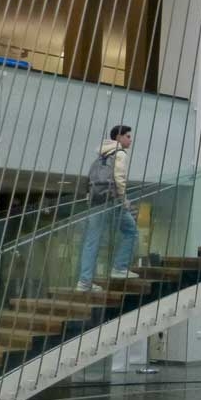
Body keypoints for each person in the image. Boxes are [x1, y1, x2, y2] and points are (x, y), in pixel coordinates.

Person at [77, 125, 141, 292]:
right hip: (112, 201)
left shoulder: (102, 156)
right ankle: (119, 267)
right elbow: (119, 178)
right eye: (127, 136)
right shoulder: (119, 153)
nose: (130, 139)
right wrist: (124, 200)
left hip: (97, 201)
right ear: (118, 138)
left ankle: (84, 282)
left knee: (92, 241)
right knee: (131, 232)